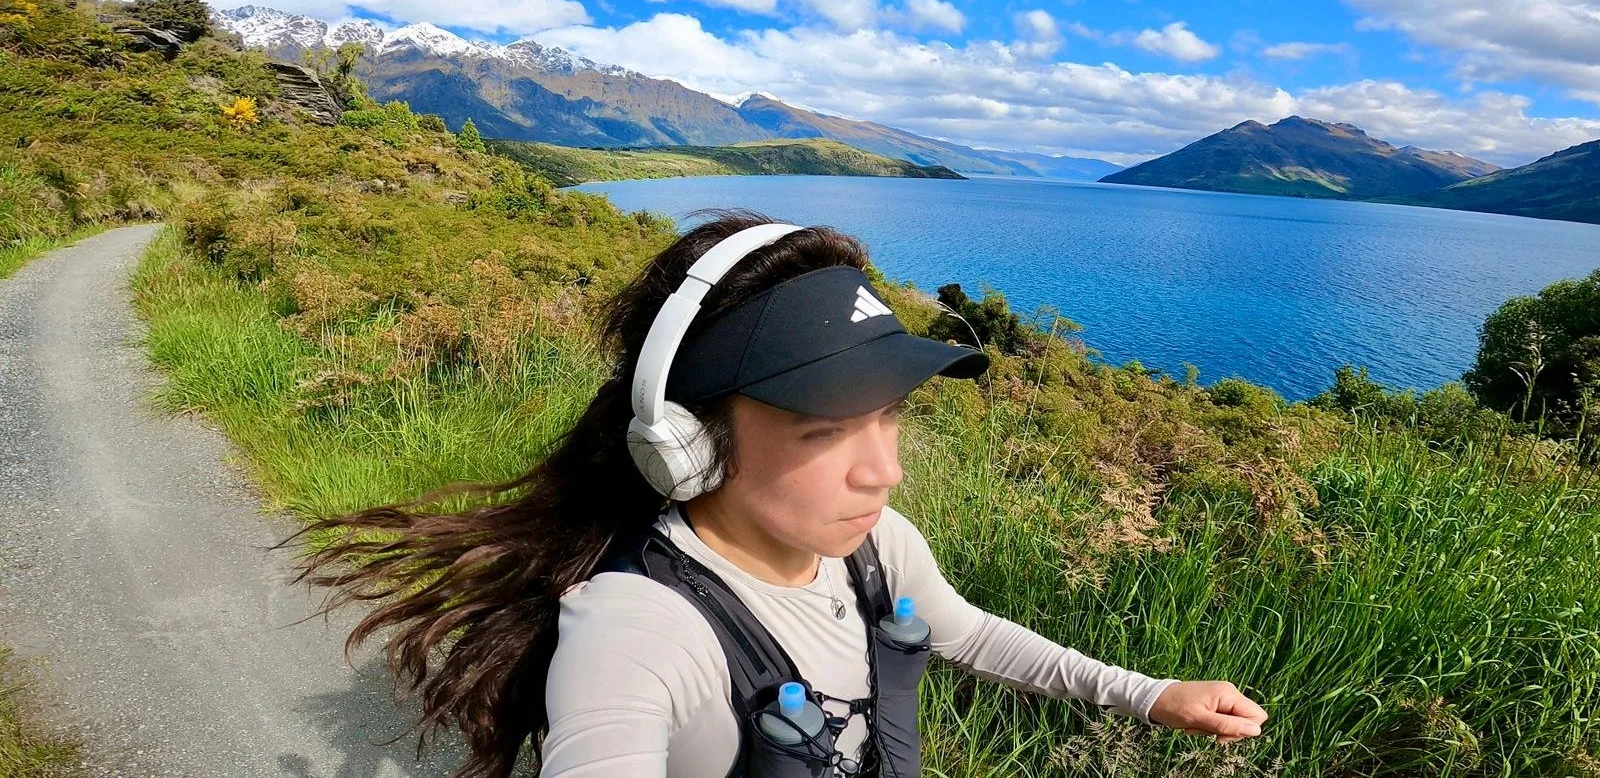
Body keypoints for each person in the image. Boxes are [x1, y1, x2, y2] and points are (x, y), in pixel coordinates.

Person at [278, 209, 1269, 778]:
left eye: (888, 416)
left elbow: (962, 631)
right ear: (690, 446)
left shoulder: (878, 549)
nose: (882, 469)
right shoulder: (639, 628)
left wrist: (1152, 697)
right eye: (823, 430)